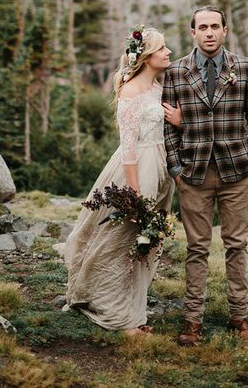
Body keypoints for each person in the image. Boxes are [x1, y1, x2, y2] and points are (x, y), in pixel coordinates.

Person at [162, 5, 248, 346]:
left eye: (214, 26)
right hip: (193, 175)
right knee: (197, 248)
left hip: (237, 173)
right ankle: (193, 320)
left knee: (236, 246)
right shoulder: (177, 72)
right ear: (192, 32)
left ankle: (240, 316)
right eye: (202, 27)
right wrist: (176, 169)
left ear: (225, 31)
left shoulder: (245, 68)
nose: (208, 32)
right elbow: (168, 128)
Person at [64, 27, 178, 336]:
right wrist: (135, 195)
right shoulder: (130, 92)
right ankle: (114, 312)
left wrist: (179, 122)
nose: (168, 52)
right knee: (123, 240)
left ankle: (133, 308)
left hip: (161, 169)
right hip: (137, 170)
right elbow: (128, 148)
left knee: (147, 243)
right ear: (145, 57)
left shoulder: (158, 88)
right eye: (161, 49)